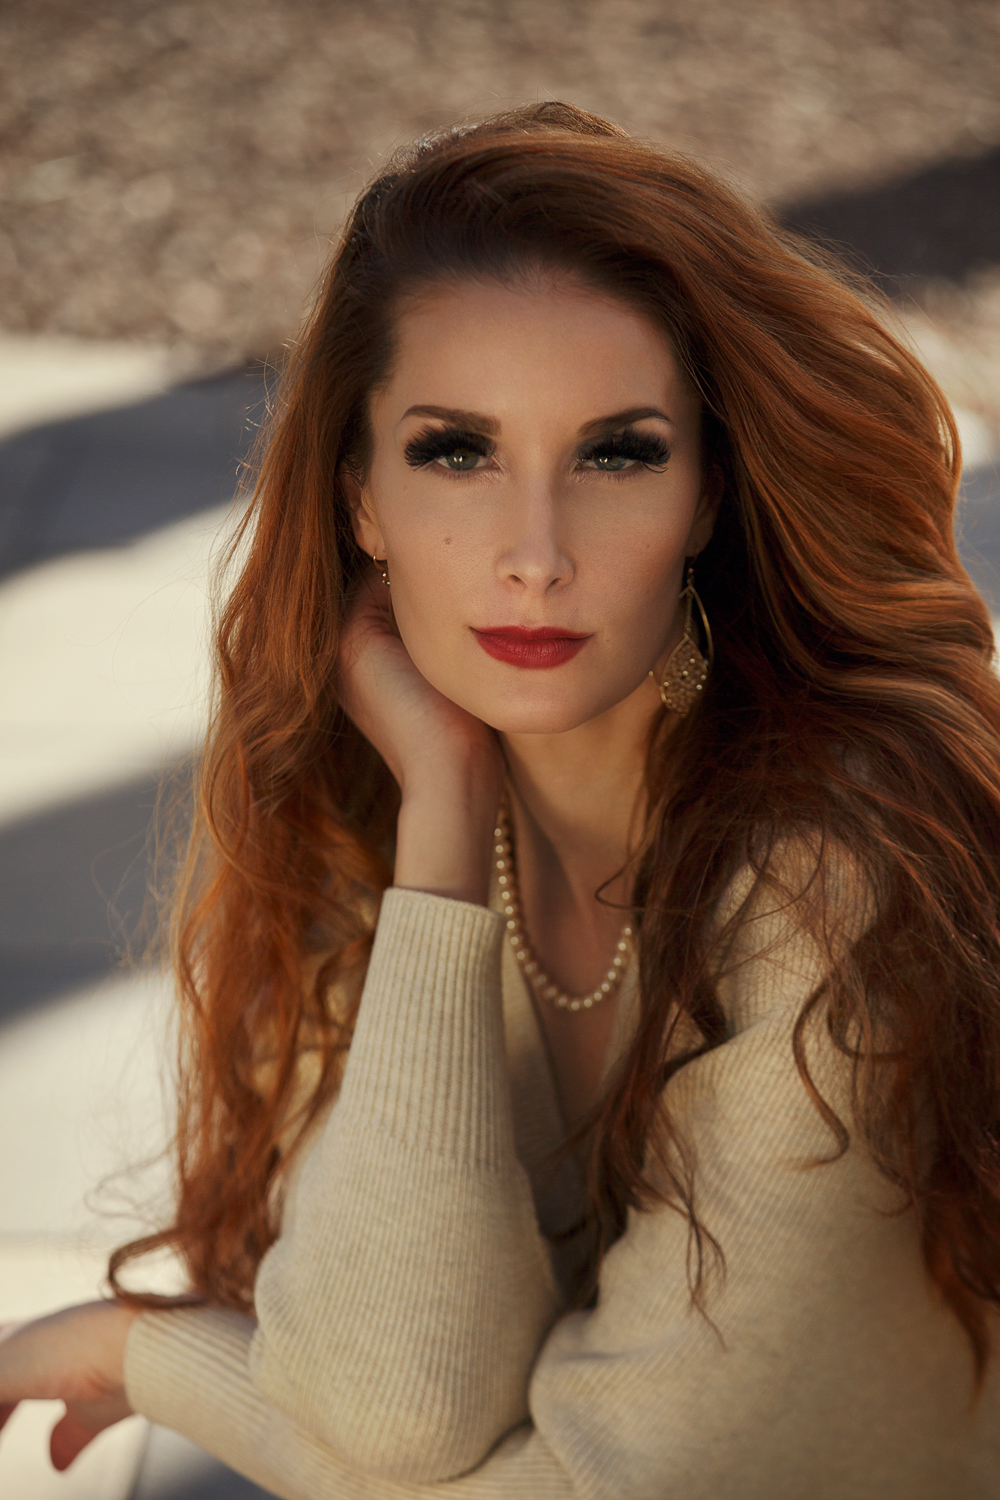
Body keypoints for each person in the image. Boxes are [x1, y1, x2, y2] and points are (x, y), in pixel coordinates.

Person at [2, 100, 1000, 1498]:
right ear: (361, 497)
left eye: (617, 453)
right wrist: (446, 823)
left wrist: (149, 1354)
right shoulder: (402, 813)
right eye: (456, 450)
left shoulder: (823, 879)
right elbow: (394, 1406)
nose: (533, 557)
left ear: (708, 496)